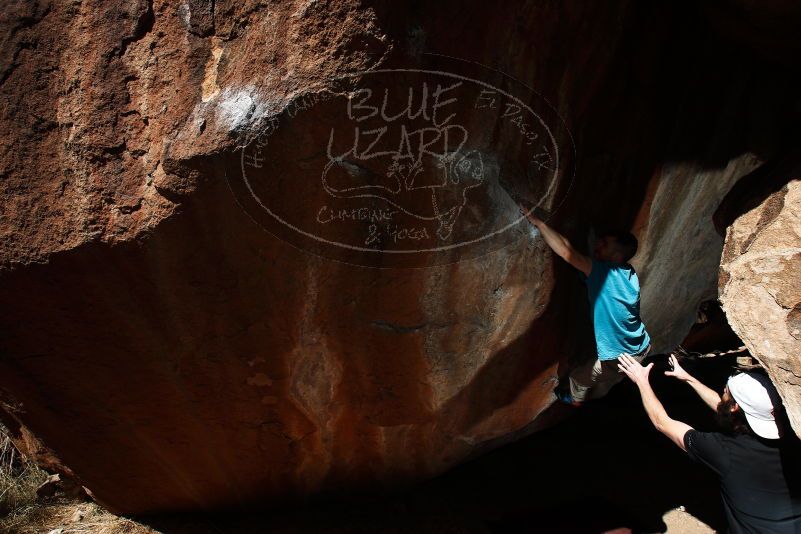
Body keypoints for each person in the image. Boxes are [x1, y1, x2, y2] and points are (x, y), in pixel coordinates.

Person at [618, 354, 801, 533]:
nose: (723, 392)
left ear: (734, 407)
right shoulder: (791, 436)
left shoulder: (724, 450)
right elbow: (725, 408)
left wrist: (641, 380)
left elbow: (662, 422)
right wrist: (688, 379)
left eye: (725, 391)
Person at [520, 208, 651, 405]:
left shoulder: (605, 275)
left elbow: (566, 251)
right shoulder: (628, 272)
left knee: (578, 377)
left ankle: (575, 399)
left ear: (616, 257)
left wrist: (538, 223)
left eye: (604, 244)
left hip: (623, 359)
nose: (598, 245)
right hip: (641, 343)